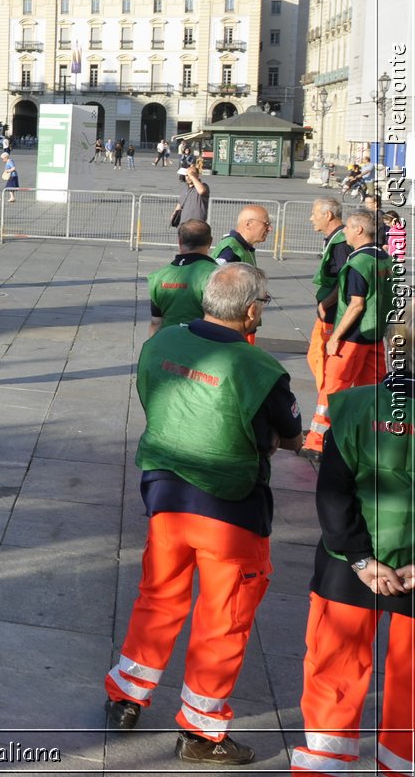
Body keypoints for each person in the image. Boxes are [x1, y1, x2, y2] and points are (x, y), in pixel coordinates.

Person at [104, 264, 302, 765]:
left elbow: (152, 400)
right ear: (252, 310)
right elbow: (291, 437)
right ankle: (202, 730)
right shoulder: (260, 369)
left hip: (167, 495)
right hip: (229, 508)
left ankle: (127, 694)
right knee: (224, 615)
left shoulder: (163, 343)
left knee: (158, 595)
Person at [288, 326, 413, 776]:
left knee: (334, 676)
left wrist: (361, 558)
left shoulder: (356, 406)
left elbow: (333, 495)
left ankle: (323, 766)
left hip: (349, 570)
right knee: (411, 689)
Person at [311, 210, 396, 459]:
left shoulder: (358, 262)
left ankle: (317, 441)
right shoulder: (384, 259)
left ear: (359, 230)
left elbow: (357, 303)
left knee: (333, 387)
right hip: (375, 335)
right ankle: (368, 439)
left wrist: (335, 337)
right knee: (372, 389)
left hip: (353, 338)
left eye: (348, 227)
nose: (344, 230)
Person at [303, 197, 352, 449]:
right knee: (318, 362)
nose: (311, 218)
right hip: (329, 317)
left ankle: (320, 435)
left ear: (329, 215)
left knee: (327, 370)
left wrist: (327, 304)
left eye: (314, 213)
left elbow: (346, 280)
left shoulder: (341, 243)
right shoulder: (336, 240)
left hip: (332, 319)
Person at [147, 220, 217, 335]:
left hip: (167, 343)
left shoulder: (158, 276)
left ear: (180, 241)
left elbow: (156, 322)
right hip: (201, 346)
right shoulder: (218, 275)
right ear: (210, 242)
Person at [173, 161, 210, 227]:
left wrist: (192, 176)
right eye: (186, 175)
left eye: (191, 175)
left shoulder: (204, 186)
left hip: (197, 225)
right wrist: (174, 214)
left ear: (197, 175)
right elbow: (180, 204)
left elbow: (202, 191)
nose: (188, 177)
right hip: (184, 224)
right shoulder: (185, 188)